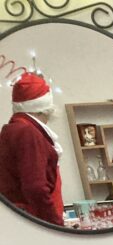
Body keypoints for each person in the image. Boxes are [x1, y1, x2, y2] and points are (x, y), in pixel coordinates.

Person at [0, 73, 65, 226]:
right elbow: (35, 187)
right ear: (45, 108)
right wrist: (55, 224)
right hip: (34, 223)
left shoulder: (14, 129)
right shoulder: (27, 132)